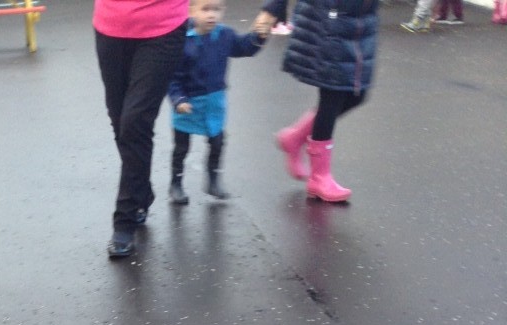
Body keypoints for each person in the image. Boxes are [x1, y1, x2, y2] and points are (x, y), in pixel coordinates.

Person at [94, 0, 189, 259]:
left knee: (135, 121)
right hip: (110, 24)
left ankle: (124, 220)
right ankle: (141, 192)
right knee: (120, 121)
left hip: (163, 26)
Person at [264, 0, 379, 203]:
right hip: (330, 20)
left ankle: (294, 137)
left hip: (360, 23)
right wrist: (274, 8)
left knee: (357, 94)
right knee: (333, 93)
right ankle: (319, 177)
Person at [167, 0, 267, 206]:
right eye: (205, 9)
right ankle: (176, 184)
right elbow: (172, 77)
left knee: (217, 142)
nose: (211, 15)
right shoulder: (182, 39)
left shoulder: (225, 35)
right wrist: (178, 99)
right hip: (187, 105)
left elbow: (245, 47)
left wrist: (259, 36)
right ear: (191, 10)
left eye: (217, 9)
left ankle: (213, 180)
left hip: (214, 103)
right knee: (181, 147)